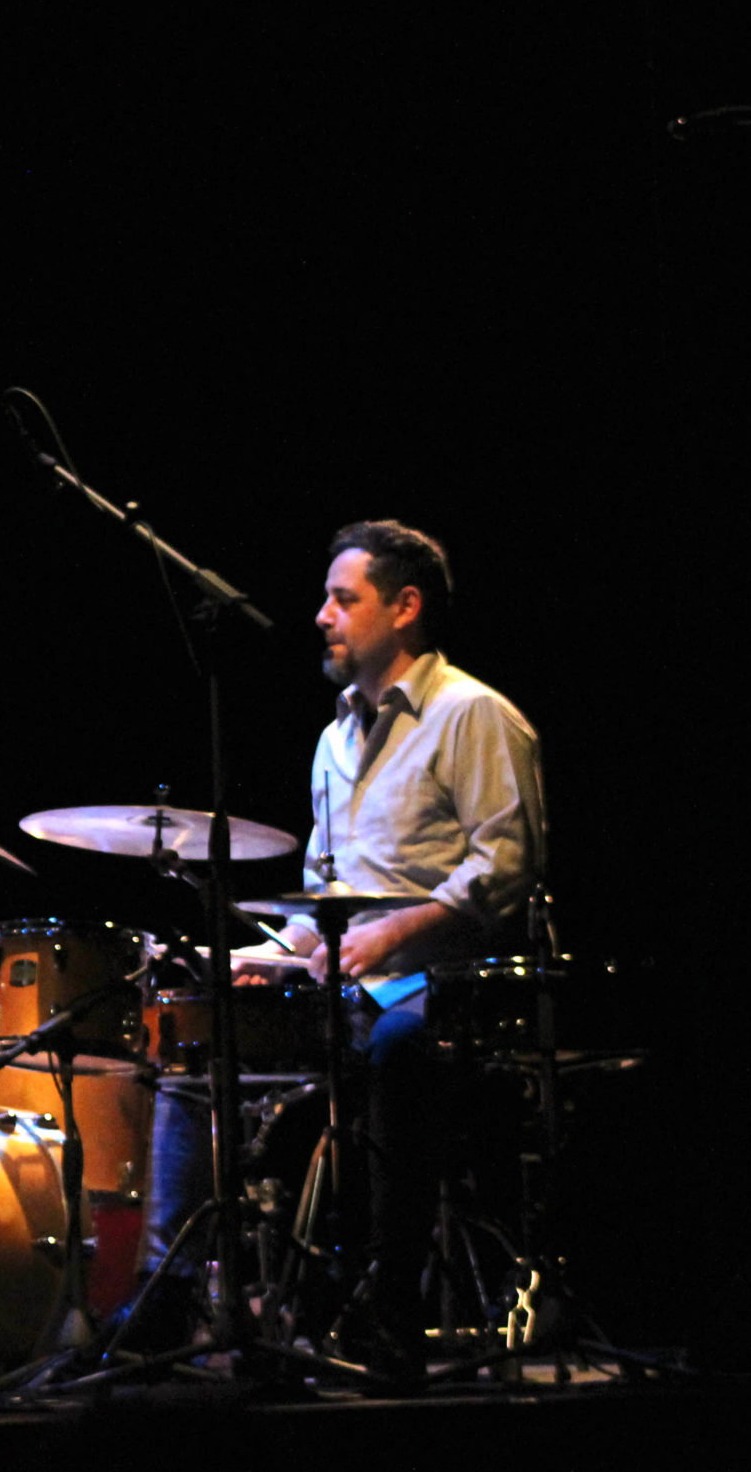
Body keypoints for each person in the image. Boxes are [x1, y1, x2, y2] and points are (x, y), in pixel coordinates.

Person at [124, 518, 543, 1379]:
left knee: (397, 1047)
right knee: (201, 1036)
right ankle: (170, 1297)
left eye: (343, 599)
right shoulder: (334, 740)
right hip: (350, 986)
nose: (322, 615)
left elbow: (503, 867)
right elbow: (326, 892)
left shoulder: (473, 714)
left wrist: (394, 932)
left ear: (405, 606)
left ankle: (389, 1307)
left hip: (444, 989)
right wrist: (273, 955)